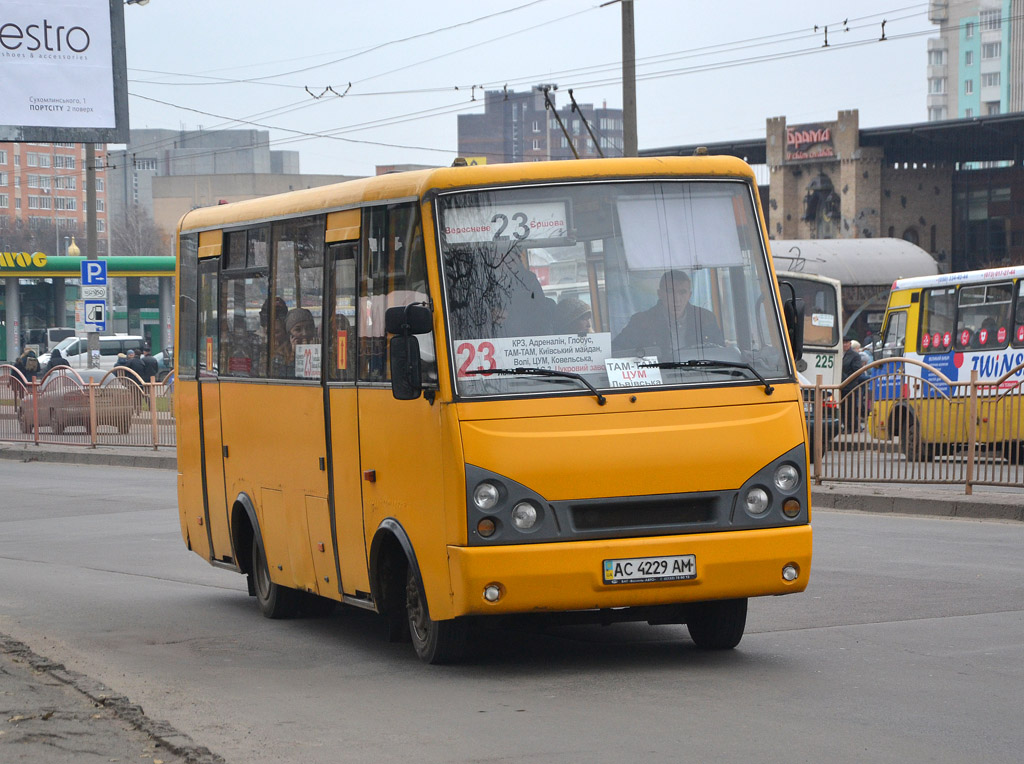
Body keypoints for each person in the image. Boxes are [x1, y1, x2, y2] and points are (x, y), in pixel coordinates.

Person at [612, 270, 724, 359]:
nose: (677, 299)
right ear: (660, 294)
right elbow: (617, 351)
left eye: (682, 292)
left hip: (700, 379)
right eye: (670, 292)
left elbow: (721, 353)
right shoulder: (641, 321)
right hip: (658, 381)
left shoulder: (705, 318)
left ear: (689, 295)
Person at [841, 333, 866, 432]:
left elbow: (857, 370)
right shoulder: (840, 354)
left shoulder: (855, 355)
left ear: (850, 343)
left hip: (850, 385)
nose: (844, 345)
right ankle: (846, 426)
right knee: (843, 407)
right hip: (841, 386)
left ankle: (853, 427)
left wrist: (847, 379)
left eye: (846, 343)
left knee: (850, 408)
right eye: (843, 343)